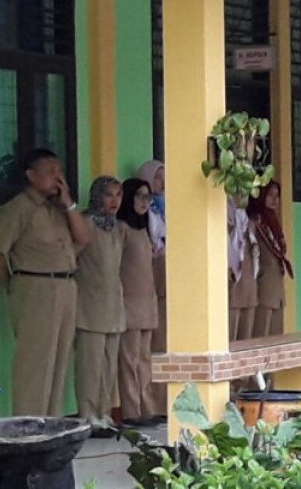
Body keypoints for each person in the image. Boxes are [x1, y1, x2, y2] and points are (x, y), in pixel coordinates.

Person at [0, 148, 90, 416]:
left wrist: (69, 204)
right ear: (31, 176)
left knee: (59, 359)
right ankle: (28, 426)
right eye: (51, 172)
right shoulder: (19, 209)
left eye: (60, 172)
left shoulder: (58, 209)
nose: (58, 178)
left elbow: (84, 239)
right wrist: (13, 285)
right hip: (35, 286)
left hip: (66, 286)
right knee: (35, 362)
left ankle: (49, 427)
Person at [74, 176, 126, 434]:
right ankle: (87, 416)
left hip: (114, 304)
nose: (115, 200)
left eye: (118, 194)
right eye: (109, 194)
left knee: (108, 366)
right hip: (89, 304)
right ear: (97, 196)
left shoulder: (118, 227)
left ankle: (103, 413)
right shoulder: (85, 224)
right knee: (89, 365)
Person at [117, 178, 160, 425]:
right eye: (139, 196)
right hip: (129, 303)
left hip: (147, 303)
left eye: (148, 197)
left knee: (145, 359)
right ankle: (131, 411)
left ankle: (147, 408)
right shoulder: (121, 228)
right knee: (129, 360)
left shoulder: (143, 228)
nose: (145, 202)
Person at [247, 181, 294, 337]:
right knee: (261, 335)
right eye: (270, 195)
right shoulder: (255, 223)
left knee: (277, 336)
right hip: (263, 291)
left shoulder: (274, 223)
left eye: (277, 196)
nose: (275, 200)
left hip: (276, 293)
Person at [137, 160, 166, 353]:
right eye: (157, 178)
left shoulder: (168, 206)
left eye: (164, 178)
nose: (162, 183)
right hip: (152, 270)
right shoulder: (144, 209)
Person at [228, 197, 259, 341]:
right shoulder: (225, 216)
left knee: (247, 341)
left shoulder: (248, 222)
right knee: (230, 339)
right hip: (233, 284)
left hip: (249, 286)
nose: (242, 195)